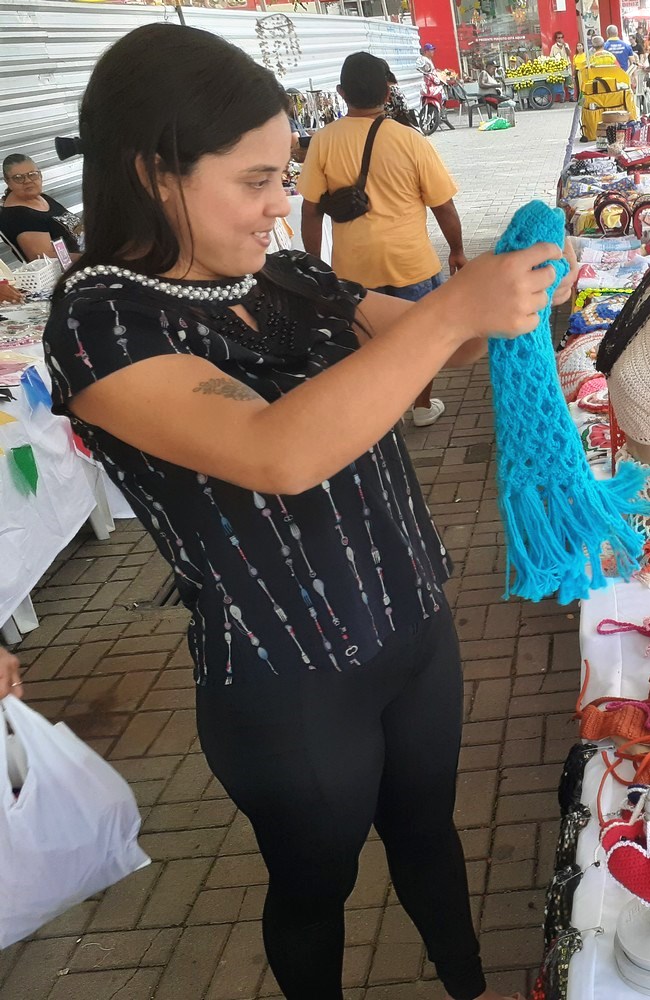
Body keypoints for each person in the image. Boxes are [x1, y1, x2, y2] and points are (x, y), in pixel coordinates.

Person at [45, 23, 567, 1000]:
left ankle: (471, 985)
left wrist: (506, 289)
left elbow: (438, 342)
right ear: (155, 172)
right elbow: (275, 452)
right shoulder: (103, 319)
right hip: (287, 676)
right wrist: (456, 310)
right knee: (315, 887)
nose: (281, 203)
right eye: (255, 180)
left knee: (429, 833)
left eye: (283, 175)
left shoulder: (288, 278)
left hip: (412, 621)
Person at [298, 52, 469, 427]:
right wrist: (457, 251)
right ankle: (421, 406)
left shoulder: (323, 142)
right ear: (388, 92)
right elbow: (443, 205)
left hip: (354, 268)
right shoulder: (410, 140)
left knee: (369, 345)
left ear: (342, 92)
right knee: (420, 340)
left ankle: (383, 415)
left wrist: (317, 266)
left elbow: (310, 211)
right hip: (411, 263)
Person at [1, 154, 82, 263]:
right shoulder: (18, 216)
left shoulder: (40, 197)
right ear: (7, 182)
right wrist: (91, 257)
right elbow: (43, 258)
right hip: (76, 269)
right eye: (18, 178)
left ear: (40, 175)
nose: (27, 181)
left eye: (32, 174)